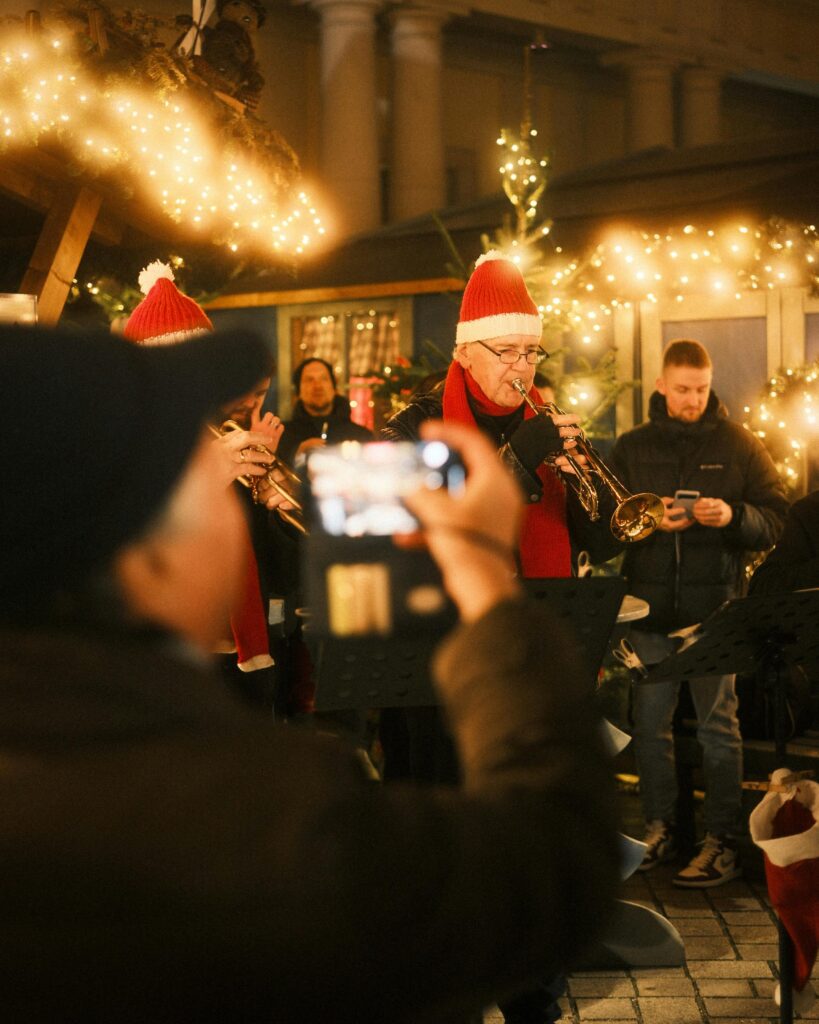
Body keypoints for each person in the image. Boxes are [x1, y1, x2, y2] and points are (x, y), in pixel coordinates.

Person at [0, 323, 619, 1022]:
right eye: (205, 483)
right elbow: (550, 867)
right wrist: (481, 580)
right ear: (149, 562)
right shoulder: (260, 823)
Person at [609, 338, 788, 887]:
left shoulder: (740, 444)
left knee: (718, 730)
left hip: (715, 617)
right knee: (651, 727)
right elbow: (609, 523)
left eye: (701, 389)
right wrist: (648, 521)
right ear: (661, 385)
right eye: (683, 389)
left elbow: (776, 520)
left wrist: (732, 515)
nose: (692, 399)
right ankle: (662, 828)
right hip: (649, 612)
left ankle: (722, 840)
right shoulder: (631, 447)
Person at [382, 251, 622, 575]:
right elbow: (417, 536)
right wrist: (519, 457)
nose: (522, 367)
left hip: (545, 612)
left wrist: (586, 489)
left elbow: (605, 547)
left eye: (531, 352)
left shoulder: (551, 420)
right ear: (465, 353)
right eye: (506, 351)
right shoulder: (415, 426)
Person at [278, 356, 373, 464]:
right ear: (298, 392)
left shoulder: (362, 436)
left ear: (334, 388)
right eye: (309, 380)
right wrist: (295, 455)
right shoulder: (282, 437)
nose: (317, 386)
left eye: (324, 379)